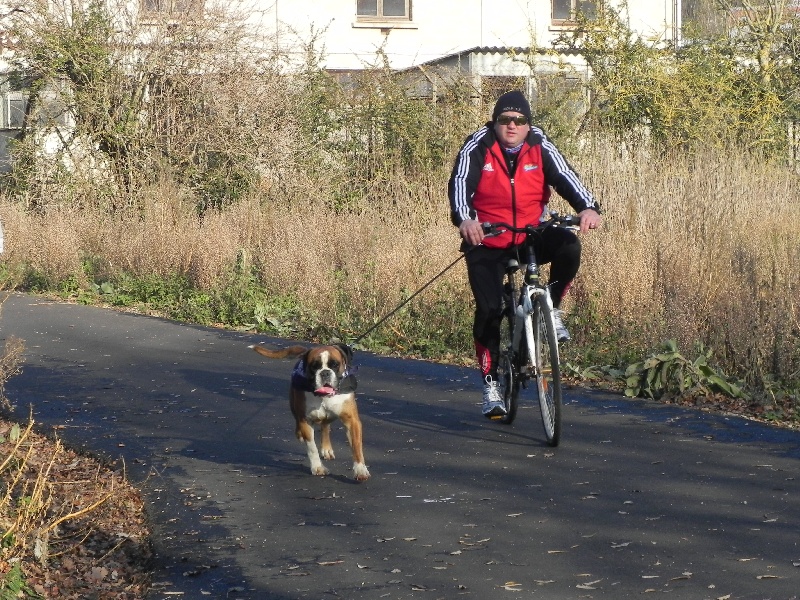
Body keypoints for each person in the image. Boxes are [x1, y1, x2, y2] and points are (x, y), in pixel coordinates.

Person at [448, 90, 602, 418]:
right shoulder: (478, 146)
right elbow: (460, 184)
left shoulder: (539, 144)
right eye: (505, 120)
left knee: (568, 245)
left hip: (531, 232)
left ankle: (553, 311)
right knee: (490, 308)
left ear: (528, 124)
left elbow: (566, 177)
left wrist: (587, 207)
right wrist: (466, 220)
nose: (513, 125)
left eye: (520, 120)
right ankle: (491, 385)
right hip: (488, 238)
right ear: (495, 122)